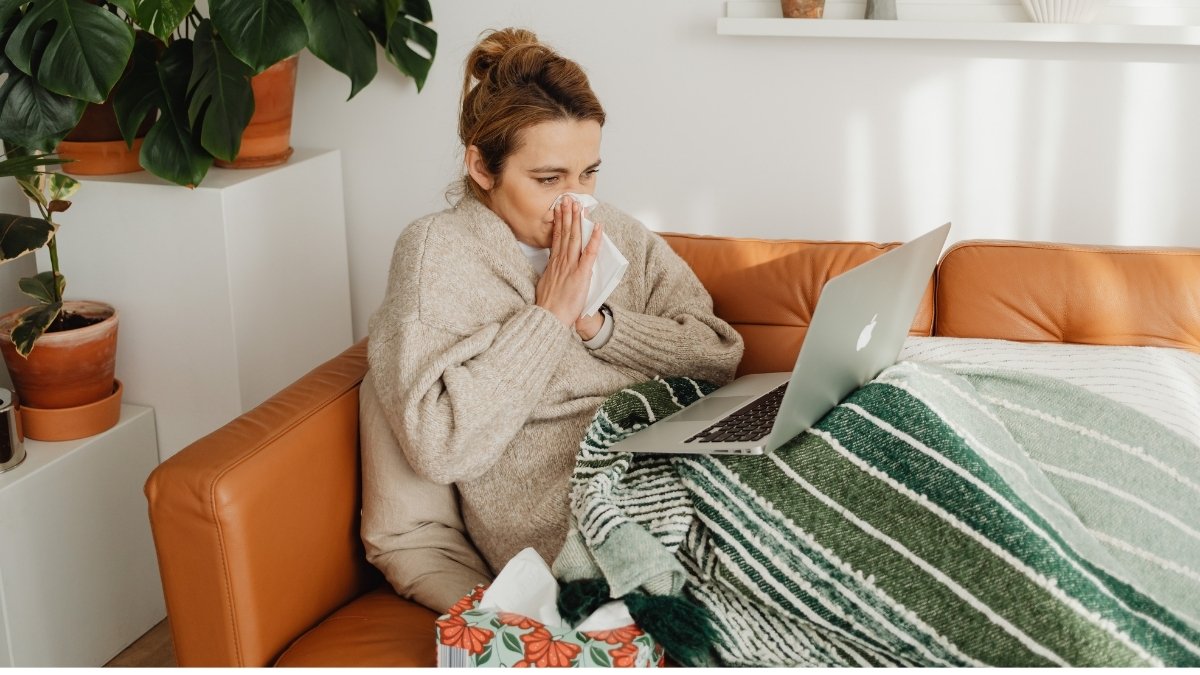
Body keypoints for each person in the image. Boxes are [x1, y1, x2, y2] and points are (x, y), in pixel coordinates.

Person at [364, 28, 744, 577]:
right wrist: (549, 317)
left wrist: (601, 328)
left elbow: (719, 354)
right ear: (481, 168)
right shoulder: (439, 253)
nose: (576, 200)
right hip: (562, 516)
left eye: (588, 173)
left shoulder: (618, 233)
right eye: (548, 179)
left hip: (671, 459)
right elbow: (441, 446)